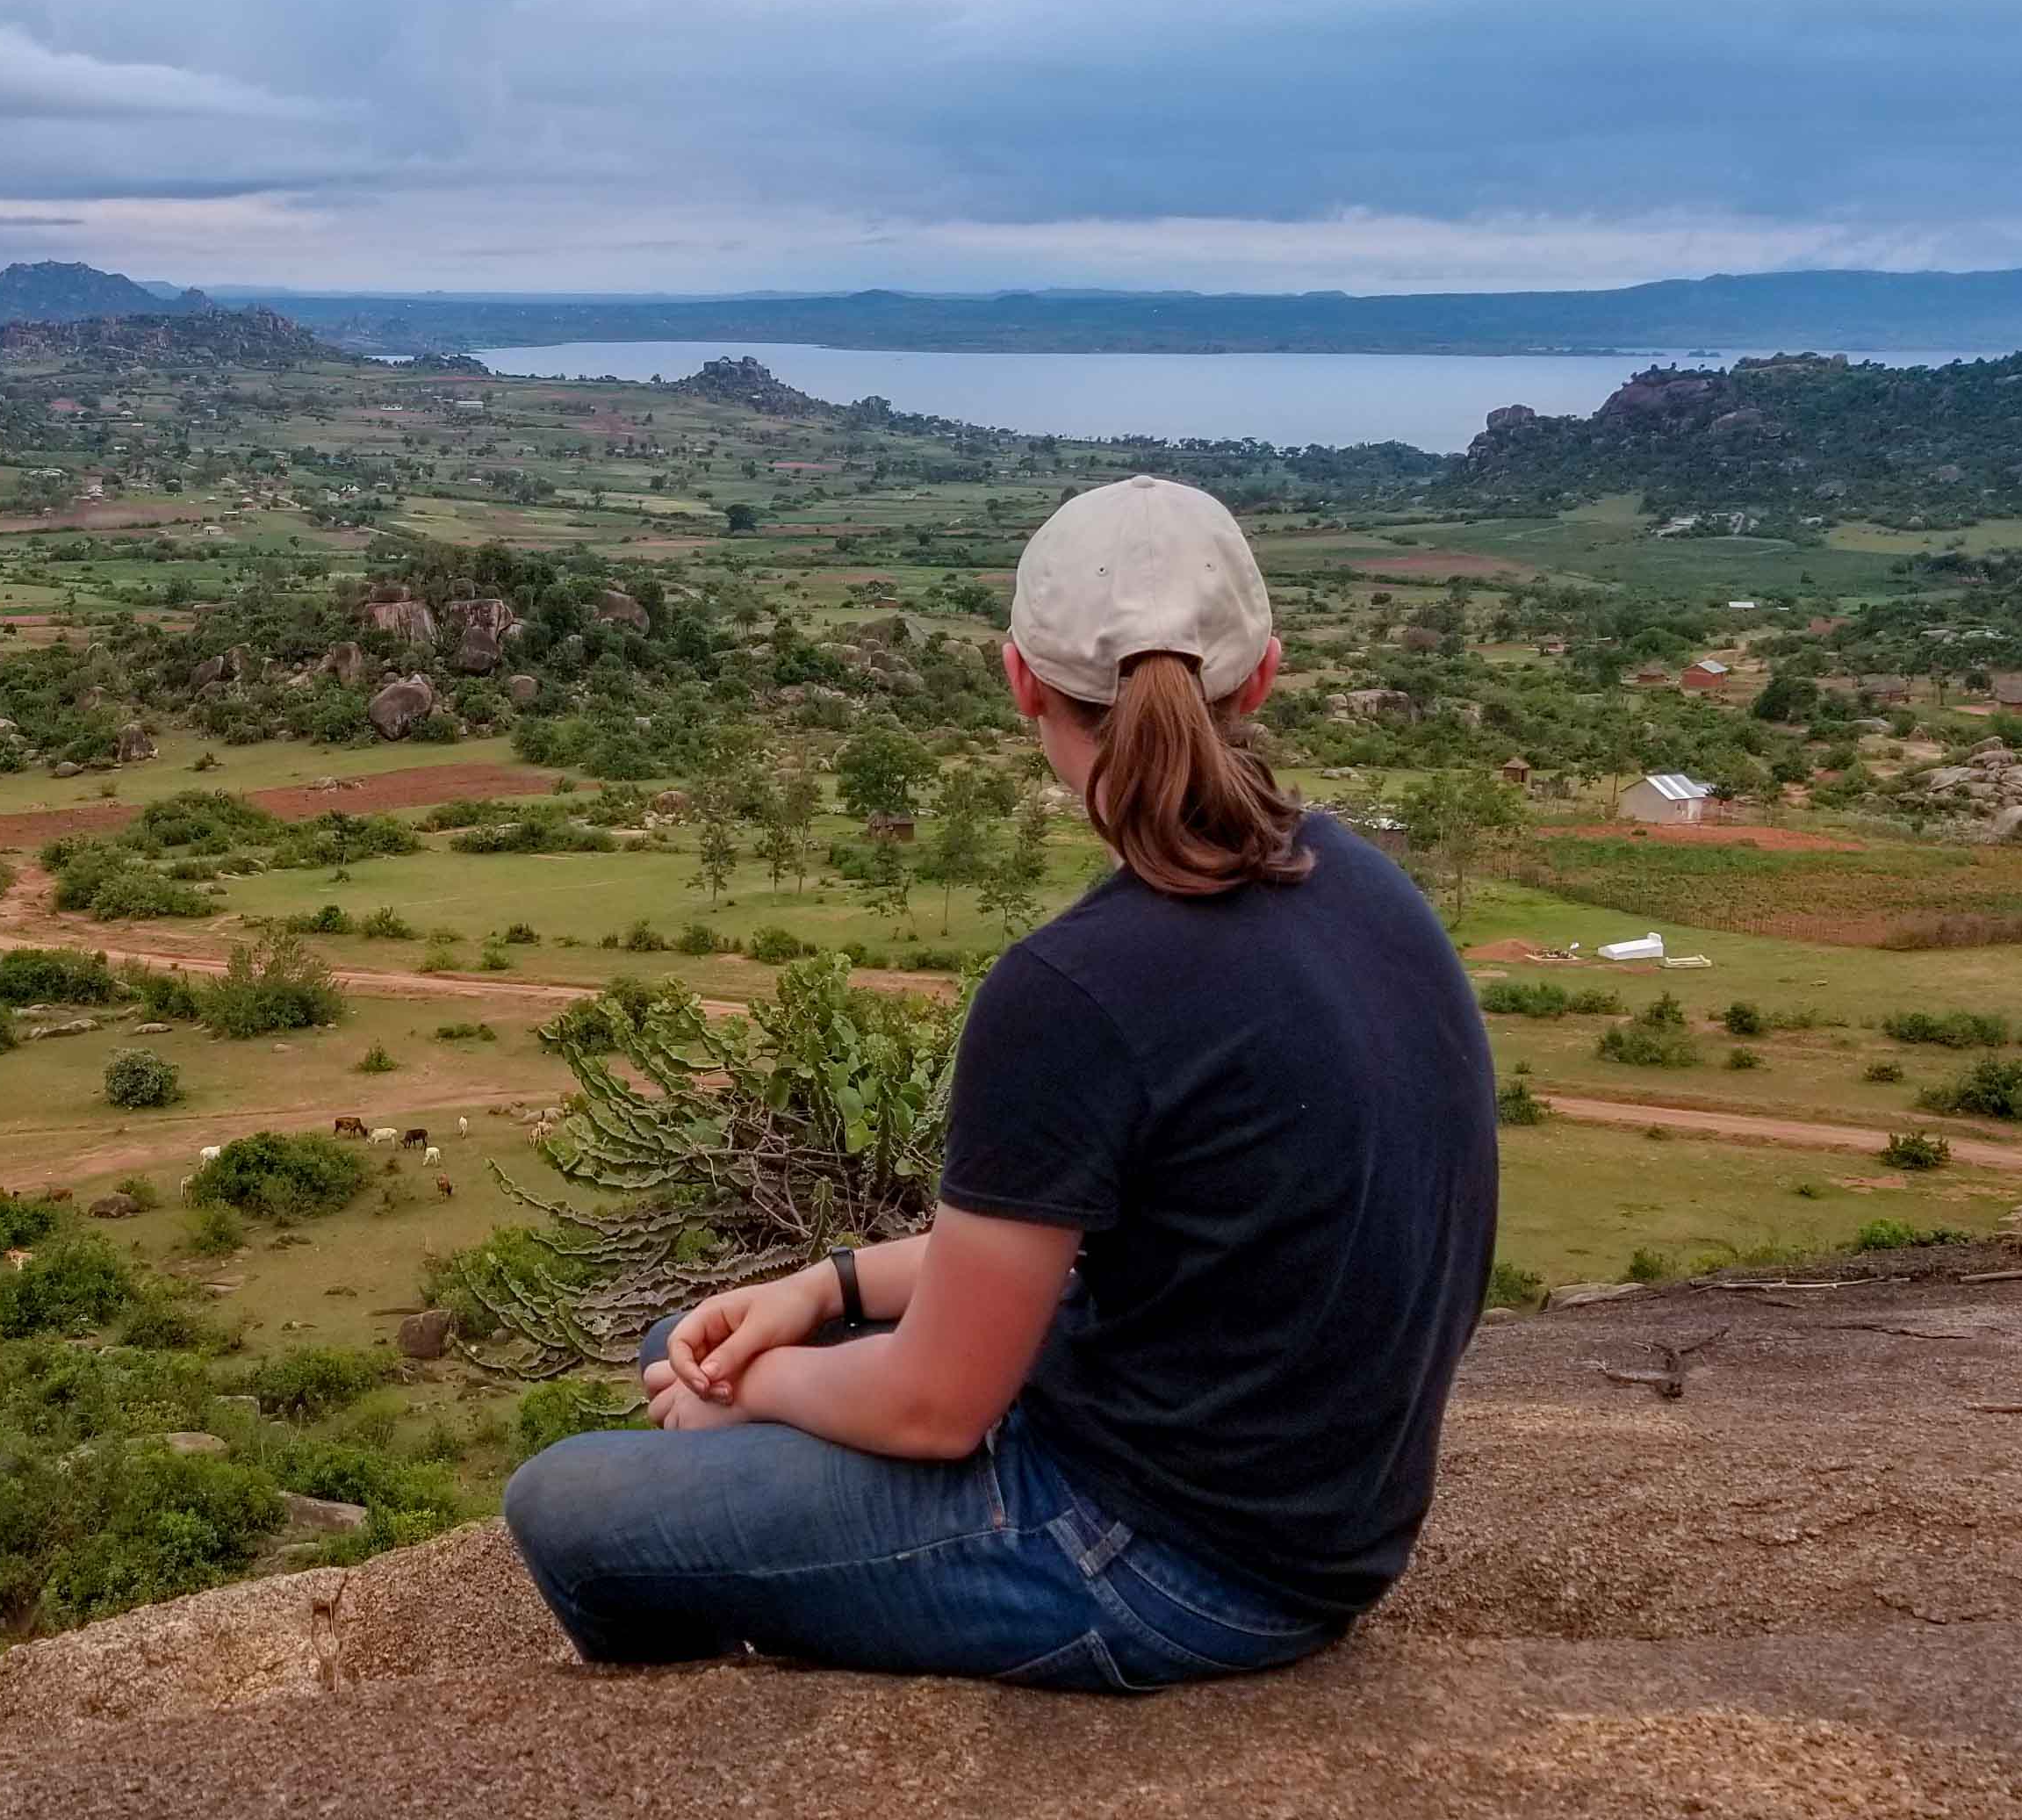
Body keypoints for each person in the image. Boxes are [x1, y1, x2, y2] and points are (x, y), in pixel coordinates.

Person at [500, 475, 1497, 1692]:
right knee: (683, 1346)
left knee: (573, 1501)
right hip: (1313, 1515)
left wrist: (758, 1386)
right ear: (1265, 675)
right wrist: (821, 1288)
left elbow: (935, 1411)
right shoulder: (1365, 886)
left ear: (1019, 681)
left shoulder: (1073, 987)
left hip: (1174, 1564)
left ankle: (723, 1710)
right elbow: (1111, 1235)